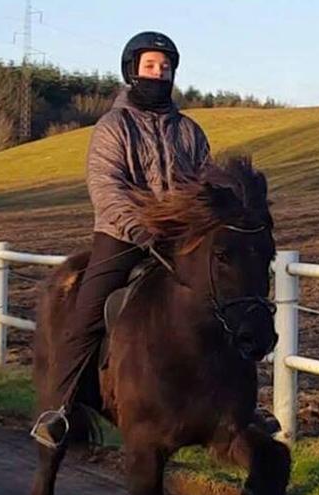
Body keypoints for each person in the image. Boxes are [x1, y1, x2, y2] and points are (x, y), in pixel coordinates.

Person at [32, 31, 212, 447]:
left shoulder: (190, 131)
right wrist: (141, 229)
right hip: (122, 236)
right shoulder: (113, 127)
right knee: (85, 317)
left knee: (228, 304)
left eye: (165, 68)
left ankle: (241, 407)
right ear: (133, 70)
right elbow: (106, 186)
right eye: (151, 66)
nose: (159, 73)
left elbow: (205, 184)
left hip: (179, 240)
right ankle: (58, 410)